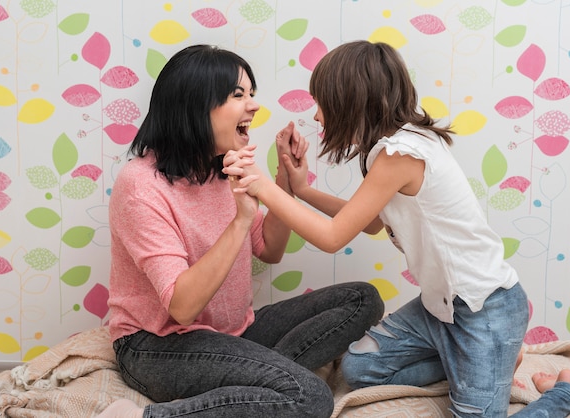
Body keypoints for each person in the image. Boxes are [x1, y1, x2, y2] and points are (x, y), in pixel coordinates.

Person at [223, 40, 570, 417]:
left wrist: (260, 185)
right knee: (359, 367)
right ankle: (491, 360)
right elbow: (373, 224)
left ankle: (563, 394)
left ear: (351, 102)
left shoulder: (401, 154)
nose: (316, 115)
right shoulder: (392, 148)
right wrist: (302, 190)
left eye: (322, 103)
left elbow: (332, 237)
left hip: (485, 309)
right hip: (440, 309)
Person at [98, 44, 384, 418]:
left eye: (252, 94)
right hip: (158, 346)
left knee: (363, 299)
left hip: (234, 332)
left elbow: (269, 250)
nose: (254, 105)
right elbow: (183, 308)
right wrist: (240, 220)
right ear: (196, 105)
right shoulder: (141, 185)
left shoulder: (220, 168)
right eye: (238, 95)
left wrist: (285, 182)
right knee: (311, 397)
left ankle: (254, 381)